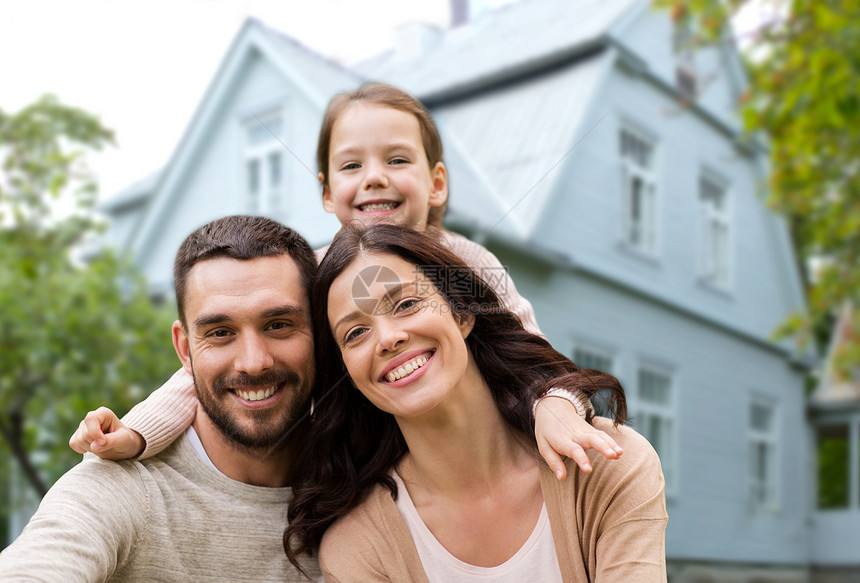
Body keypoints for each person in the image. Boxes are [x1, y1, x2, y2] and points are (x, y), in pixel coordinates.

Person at [71, 83, 621, 478]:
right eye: (352, 166)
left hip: (469, 463)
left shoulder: (468, 263)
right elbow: (206, 368)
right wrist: (139, 432)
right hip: (364, 468)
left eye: (397, 159)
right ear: (327, 191)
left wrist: (556, 406)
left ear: (436, 184)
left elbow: (538, 359)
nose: (375, 177)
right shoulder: (313, 272)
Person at [286, 223, 668, 582]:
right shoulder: (359, 548)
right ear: (347, 374)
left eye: (405, 305)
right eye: (355, 333)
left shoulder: (606, 465)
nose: (387, 338)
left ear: (462, 312)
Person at [0, 216, 322, 581]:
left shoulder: (364, 476)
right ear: (184, 349)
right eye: (220, 332)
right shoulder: (122, 488)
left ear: (320, 329)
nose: (253, 362)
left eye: (278, 324)